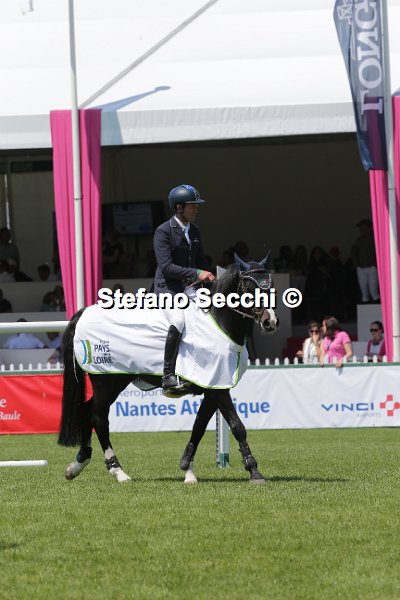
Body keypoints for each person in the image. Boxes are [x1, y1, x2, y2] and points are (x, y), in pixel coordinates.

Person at [153, 184, 215, 395]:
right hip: (167, 288)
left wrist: (214, 278)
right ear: (179, 207)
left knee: (209, 317)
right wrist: (197, 273)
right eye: (192, 206)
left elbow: (201, 262)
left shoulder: (195, 231)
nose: (196, 209)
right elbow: (166, 267)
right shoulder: (163, 231)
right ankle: (168, 375)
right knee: (179, 320)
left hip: (189, 288)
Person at [352, 219, 380, 303]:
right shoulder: (359, 240)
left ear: (370, 227)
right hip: (361, 267)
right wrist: (356, 265)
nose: (361, 229)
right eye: (361, 228)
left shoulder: (376, 238)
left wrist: (376, 264)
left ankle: (376, 303)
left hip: (372, 267)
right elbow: (354, 252)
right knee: (364, 291)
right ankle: (366, 303)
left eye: (363, 227)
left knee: (373, 289)